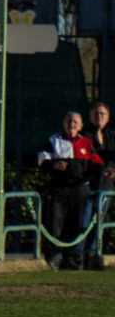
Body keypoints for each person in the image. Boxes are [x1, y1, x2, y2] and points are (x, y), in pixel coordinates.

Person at [37, 111, 103, 270]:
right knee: (55, 223)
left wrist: (91, 177)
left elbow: (96, 163)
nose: (71, 125)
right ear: (63, 123)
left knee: (77, 223)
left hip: (79, 189)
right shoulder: (54, 140)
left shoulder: (86, 142)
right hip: (59, 189)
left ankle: (72, 259)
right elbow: (41, 159)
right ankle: (54, 256)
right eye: (69, 121)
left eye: (75, 122)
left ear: (80, 126)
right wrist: (54, 165)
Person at [80, 102, 115, 269]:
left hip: (106, 186)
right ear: (90, 117)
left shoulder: (112, 136)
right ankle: (79, 255)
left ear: (108, 117)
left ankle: (92, 255)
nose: (99, 117)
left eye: (103, 114)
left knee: (99, 222)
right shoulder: (84, 136)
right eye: (96, 114)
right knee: (85, 221)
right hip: (88, 186)